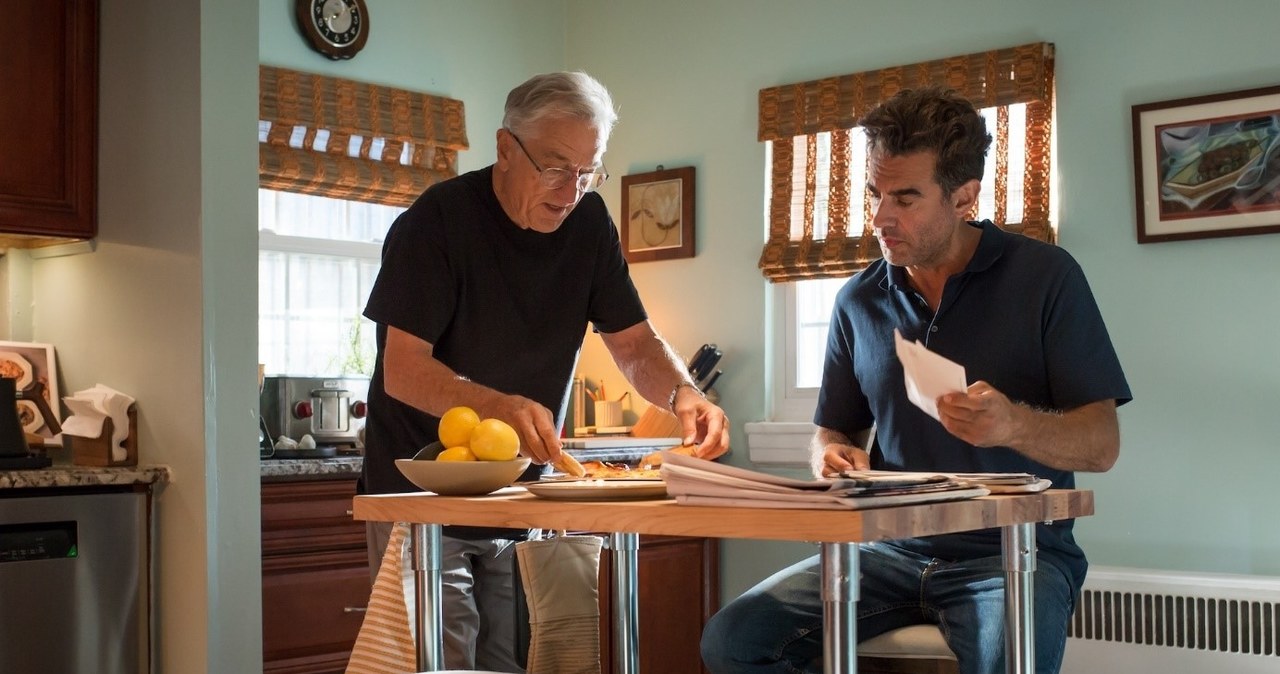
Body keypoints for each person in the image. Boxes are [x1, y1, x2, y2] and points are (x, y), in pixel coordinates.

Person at [700, 86, 1131, 674]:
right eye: (875, 194)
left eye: (905, 198)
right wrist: (831, 455)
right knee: (733, 641)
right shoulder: (858, 300)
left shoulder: (1046, 276)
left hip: (1011, 551)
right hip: (885, 548)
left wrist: (1014, 424)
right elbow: (832, 431)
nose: (881, 217)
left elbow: (1102, 444)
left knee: (1008, 658)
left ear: (965, 196)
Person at [360, 71, 730, 672]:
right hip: (421, 497)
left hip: (522, 495)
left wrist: (685, 394)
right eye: (556, 167)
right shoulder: (437, 222)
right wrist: (497, 406)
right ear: (506, 148)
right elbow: (402, 371)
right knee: (440, 663)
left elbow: (633, 343)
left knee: (520, 662)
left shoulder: (587, 225)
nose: (571, 190)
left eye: (589, 172)